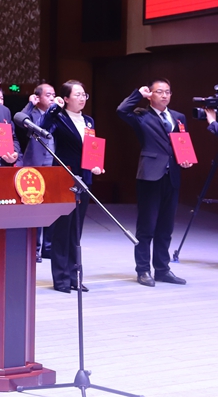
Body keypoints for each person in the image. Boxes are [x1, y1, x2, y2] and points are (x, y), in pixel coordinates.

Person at [117, 80, 192, 287]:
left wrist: (185, 159)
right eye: (159, 92)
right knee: (146, 227)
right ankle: (143, 270)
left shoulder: (178, 117)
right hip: (150, 175)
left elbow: (182, 144)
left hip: (172, 175)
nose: (165, 95)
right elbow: (121, 110)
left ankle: (162, 269)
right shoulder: (141, 115)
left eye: (168, 92)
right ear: (151, 95)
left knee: (166, 227)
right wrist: (138, 94)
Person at [41, 80, 104, 294]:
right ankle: (60, 279)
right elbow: (43, 128)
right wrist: (53, 108)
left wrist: (96, 165)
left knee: (76, 231)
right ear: (66, 98)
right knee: (62, 229)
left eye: (84, 94)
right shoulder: (58, 117)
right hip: (64, 178)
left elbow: (91, 149)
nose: (82, 98)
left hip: (84, 179)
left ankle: (74, 277)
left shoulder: (89, 121)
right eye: (77, 94)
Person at [20, 84, 57, 262]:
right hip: (35, 165)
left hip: (54, 165)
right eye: (48, 95)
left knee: (51, 207)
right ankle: (34, 248)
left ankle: (48, 247)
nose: (52, 98)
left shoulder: (56, 114)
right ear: (38, 97)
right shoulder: (32, 114)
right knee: (35, 207)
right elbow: (20, 121)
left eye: (53, 95)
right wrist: (30, 104)